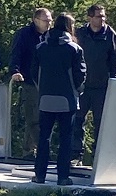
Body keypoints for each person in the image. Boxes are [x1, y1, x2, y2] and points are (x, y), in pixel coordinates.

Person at [31, 13, 86, 186]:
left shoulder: (40, 47)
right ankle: (63, 177)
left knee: (44, 137)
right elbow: (80, 74)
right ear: (70, 27)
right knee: (65, 138)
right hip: (67, 98)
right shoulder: (74, 49)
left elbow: (33, 72)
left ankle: (40, 175)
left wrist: (42, 89)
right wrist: (78, 91)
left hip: (45, 97)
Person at [73, 4, 116, 165]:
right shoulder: (80, 33)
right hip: (82, 86)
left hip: (102, 86)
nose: (102, 19)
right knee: (77, 120)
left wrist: (113, 82)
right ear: (90, 17)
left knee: (101, 123)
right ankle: (75, 156)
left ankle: (98, 158)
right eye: (99, 16)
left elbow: (114, 62)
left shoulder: (110, 34)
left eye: (103, 16)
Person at [9, 7, 53, 158]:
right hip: (29, 80)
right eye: (46, 20)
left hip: (47, 81)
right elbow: (16, 54)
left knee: (42, 116)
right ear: (36, 20)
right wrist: (15, 71)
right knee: (33, 116)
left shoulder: (51, 36)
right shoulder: (24, 34)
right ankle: (41, 150)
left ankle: (28, 150)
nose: (49, 23)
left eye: (50, 20)